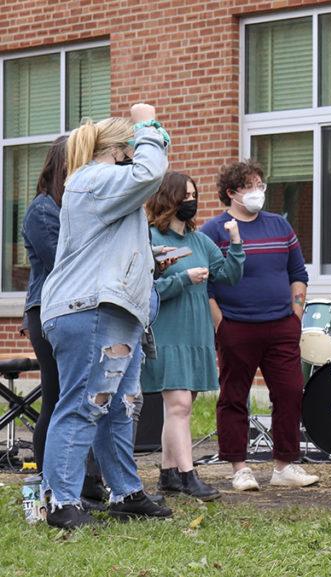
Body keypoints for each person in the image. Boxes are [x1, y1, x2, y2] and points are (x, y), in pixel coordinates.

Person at [39, 104, 173, 529]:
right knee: (83, 404)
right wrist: (147, 122)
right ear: (121, 149)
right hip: (91, 309)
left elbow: (104, 247)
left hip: (114, 310)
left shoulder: (100, 184)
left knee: (119, 406)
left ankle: (125, 492)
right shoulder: (94, 179)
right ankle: (61, 502)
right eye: (137, 144)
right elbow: (152, 172)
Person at [202, 159, 318, 492]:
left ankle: (284, 464)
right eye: (249, 186)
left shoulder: (280, 226)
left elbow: (299, 274)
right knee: (235, 395)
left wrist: (296, 316)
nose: (257, 192)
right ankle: (239, 467)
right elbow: (207, 285)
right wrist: (221, 324)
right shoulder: (214, 231)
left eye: (260, 185)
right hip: (236, 326)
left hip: (281, 325)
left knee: (290, 391)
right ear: (231, 192)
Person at [21, 135, 112, 510]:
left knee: (85, 398)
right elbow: (65, 261)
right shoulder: (44, 210)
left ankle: (87, 483)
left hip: (80, 306)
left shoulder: (77, 207)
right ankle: (50, 483)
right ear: (64, 165)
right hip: (49, 309)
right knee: (58, 396)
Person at [143, 172, 245, 501]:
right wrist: (184, 278)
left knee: (181, 408)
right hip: (167, 333)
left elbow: (229, 275)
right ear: (168, 199)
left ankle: (168, 473)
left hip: (196, 333)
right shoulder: (148, 239)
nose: (191, 201)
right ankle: (188, 475)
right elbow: (145, 291)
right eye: (184, 195)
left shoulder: (199, 240)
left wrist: (237, 242)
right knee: (179, 404)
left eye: (193, 195)